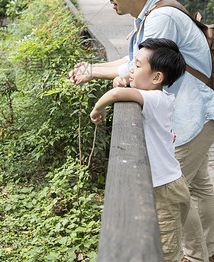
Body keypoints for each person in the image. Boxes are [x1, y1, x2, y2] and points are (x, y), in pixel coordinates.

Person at [69, 0, 214, 262]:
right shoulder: (152, 13)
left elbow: (137, 68)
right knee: (196, 189)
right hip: (196, 114)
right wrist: (95, 70)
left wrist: (97, 73)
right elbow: (133, 63)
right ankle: (205, 254)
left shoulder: (161, 18)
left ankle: (194, 256)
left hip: (191, 117)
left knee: (174, 194)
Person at [90, 38, 190, 262]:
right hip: (166, 184)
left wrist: (98, 108)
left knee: (167, 253)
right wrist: (128, 80)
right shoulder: (159, 96)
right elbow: (126, 88)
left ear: (156, 77)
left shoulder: (154, 99)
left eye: (136, 65)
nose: (131, 69)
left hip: (165, 191)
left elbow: (116, 95)